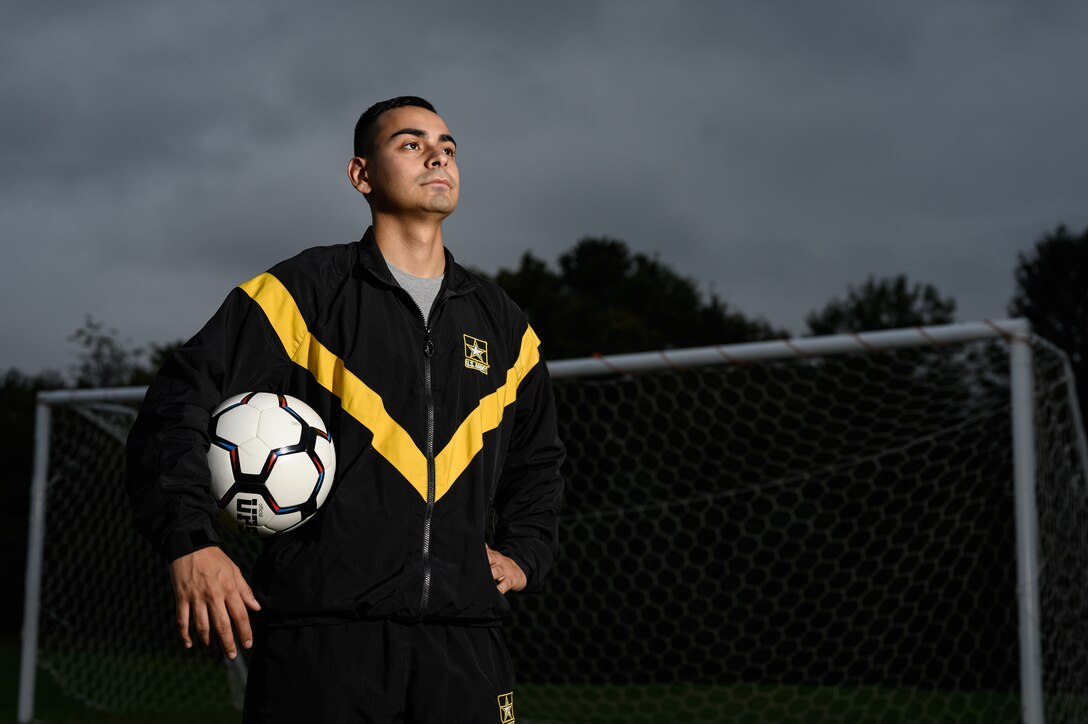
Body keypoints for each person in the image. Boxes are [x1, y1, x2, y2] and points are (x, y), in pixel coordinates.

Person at [126, 96, 565, 723]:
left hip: (465, 642)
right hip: (324, 646)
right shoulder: (301, 295)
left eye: (447, 145)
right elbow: (177, 401)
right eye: (410, 144)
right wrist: (191, 542)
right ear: (361, 175)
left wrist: (526, 552)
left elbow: (539, 459)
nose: (438, 154)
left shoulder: (503, 326)